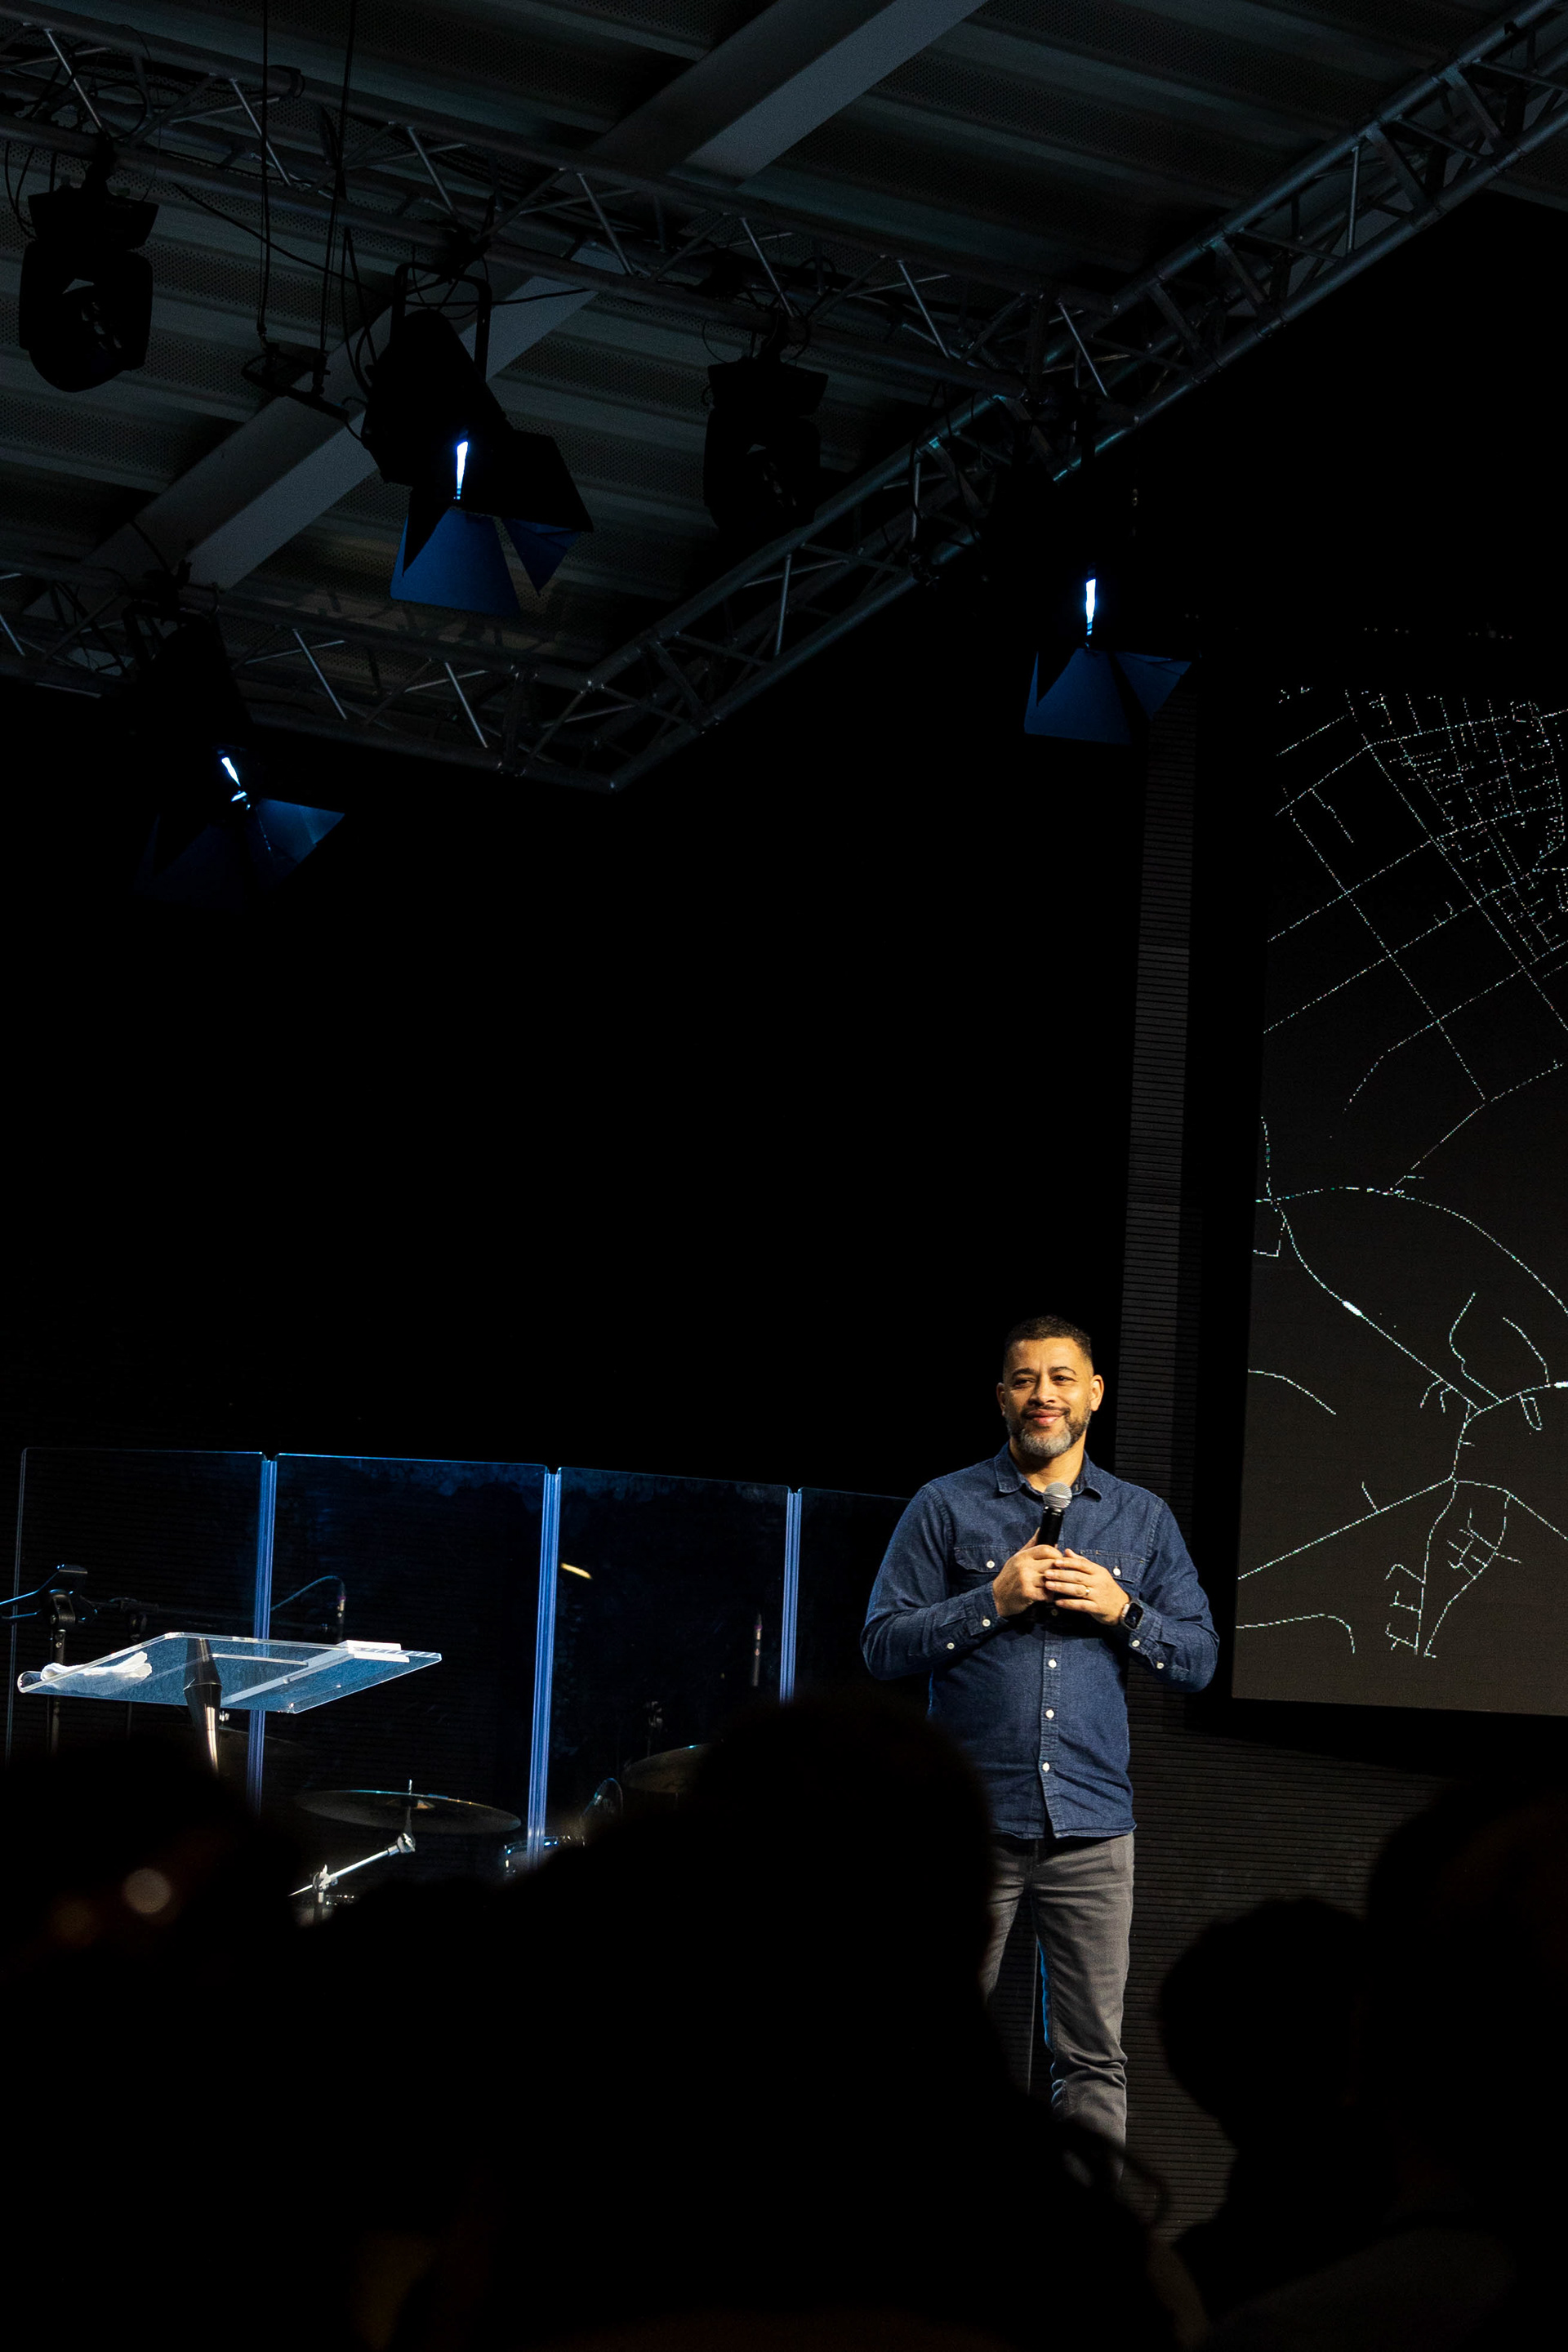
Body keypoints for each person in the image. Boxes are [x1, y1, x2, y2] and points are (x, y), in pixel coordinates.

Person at [861, 1314, 1218, 2146]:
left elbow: (1199, 1659)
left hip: (1093, 1827)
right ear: (1001, 1398)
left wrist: (1125, 1610)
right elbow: (882, 1644)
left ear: (1094, 1393)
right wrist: (992, 1599)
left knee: (1091, 2059)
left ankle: (1081, 2225)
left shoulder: (1140, 1519)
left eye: (1061, 1378)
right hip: (968, 1826)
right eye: (1024, 1380)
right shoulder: (945, 1504)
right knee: (929, 2043)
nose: (1042, 1395)